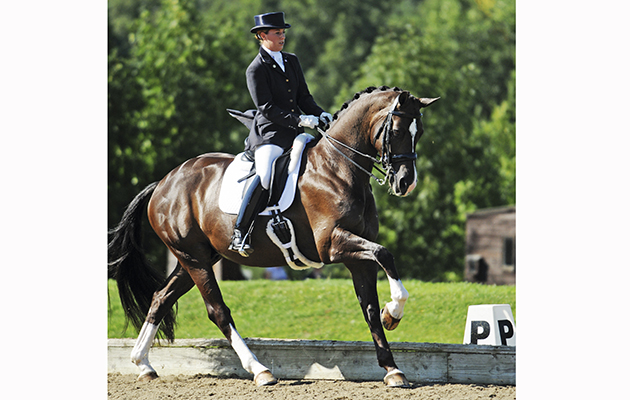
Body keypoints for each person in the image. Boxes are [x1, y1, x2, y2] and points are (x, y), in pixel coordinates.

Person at [229, 11, 333, 257]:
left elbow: (304, 97)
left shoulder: (292, 61)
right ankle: (240, 232)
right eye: (277, 33)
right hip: (270, 135)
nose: (282, 36)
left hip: (295, 132)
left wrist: (321, 114)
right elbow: (266, 108)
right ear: (262, 35)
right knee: (265, 175)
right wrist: (299, 119)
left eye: (283, 32)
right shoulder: (255, 69)